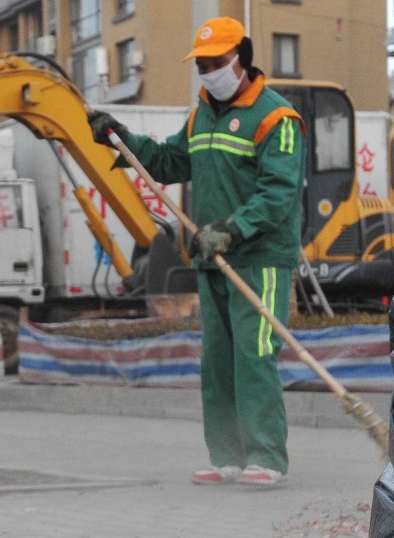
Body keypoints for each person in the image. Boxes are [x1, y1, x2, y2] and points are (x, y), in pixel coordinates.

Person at [90, 17, 305, 488]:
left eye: (215, 62)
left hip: (259, 257)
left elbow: (279, 193)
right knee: (218, 358)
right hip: (212, 257)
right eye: (202, 64)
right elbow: (169, 162)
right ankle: (227, 455)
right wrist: (121, 138)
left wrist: (230, 229)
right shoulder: (201, 115)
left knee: (253, 355)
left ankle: (266, 455)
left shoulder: (276, 117)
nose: (208, 71)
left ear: (240, 58)